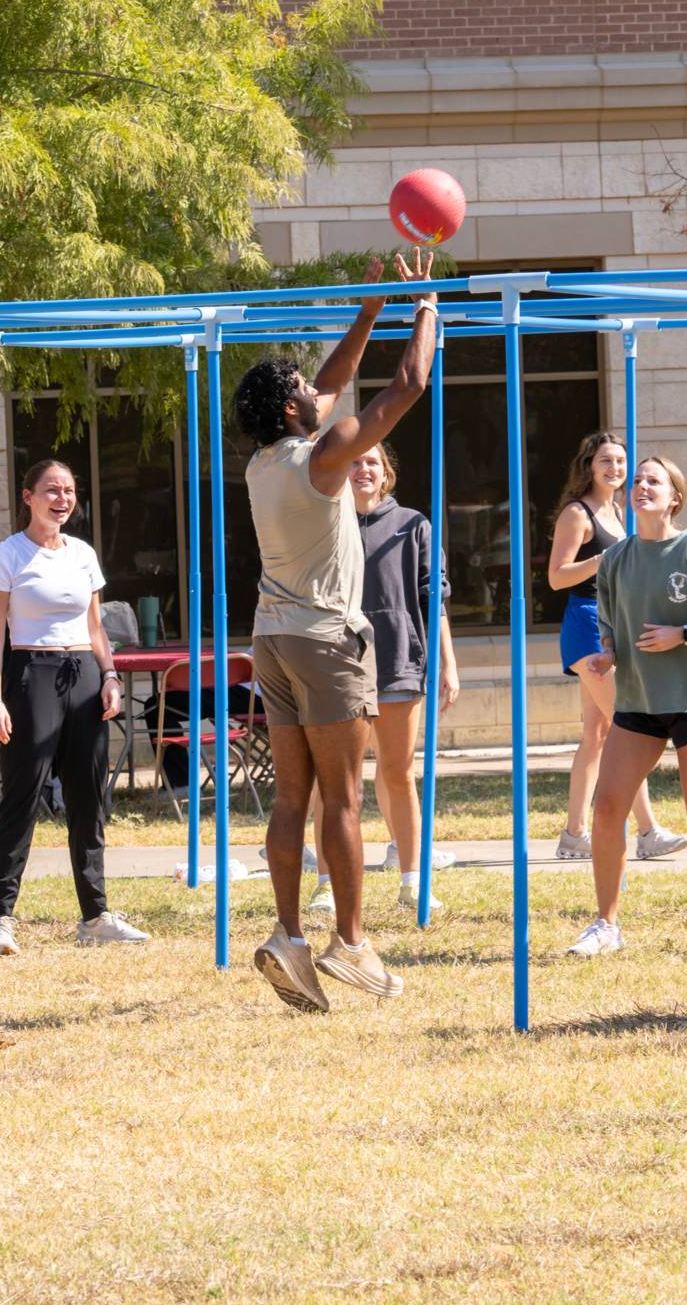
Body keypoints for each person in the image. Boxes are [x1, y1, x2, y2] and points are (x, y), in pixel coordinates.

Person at [234, 250, 438, 1014]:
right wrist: (425, 307)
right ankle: (349, 943)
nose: (317, 392)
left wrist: (369, 309)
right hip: (325, 642)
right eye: (303, 392)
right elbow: (407, 386)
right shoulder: (324, 458)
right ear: (293, 411)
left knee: (294, 798)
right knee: (345, 802)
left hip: (275, 639)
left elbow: (326, 383)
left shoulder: (264, 461)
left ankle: (289, 933)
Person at [565, 457, 687, 959]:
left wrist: (683, 635)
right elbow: (609, 620)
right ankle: (606, 924)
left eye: (654, 480)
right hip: (640, 700)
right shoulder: (615, 560)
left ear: (674, 498)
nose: (640, 486)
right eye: (637, 481)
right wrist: (608, 653)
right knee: (606, 808)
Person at [0, 458, 146, 957]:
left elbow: (96, 629)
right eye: (51, 490)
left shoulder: (83, 554)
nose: (62, 499)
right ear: (27, 497)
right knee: (22, 796)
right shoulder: (6, 557)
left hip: (84, 678)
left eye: (69, 490)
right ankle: (1, 918)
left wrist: (110, 676)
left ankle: (95, 914)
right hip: (32, 675)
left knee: (88, 797)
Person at [546, 432, 687, 866]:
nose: (615, 469)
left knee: (596, 736)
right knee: (629, 725)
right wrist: (603, 560)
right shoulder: (579, 513)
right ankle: (648, 830)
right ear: (589, 465)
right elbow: (556, 577)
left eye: (621, 462)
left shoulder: (619, 510)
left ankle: (573, 834)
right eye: (606, 461)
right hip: (586, 624)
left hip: (614, 622)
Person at [348, 443, 462, 911]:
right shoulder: (326, 523)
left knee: (397, 773)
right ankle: (330, 885)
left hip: (398, 660)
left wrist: (448, 662)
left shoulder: (413, 524)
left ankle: (413, 880)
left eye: (372, 461)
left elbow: (433, 597)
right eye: (354, 461)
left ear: (386, 472)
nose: (363, 469)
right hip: (342, 663)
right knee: (341, 781)